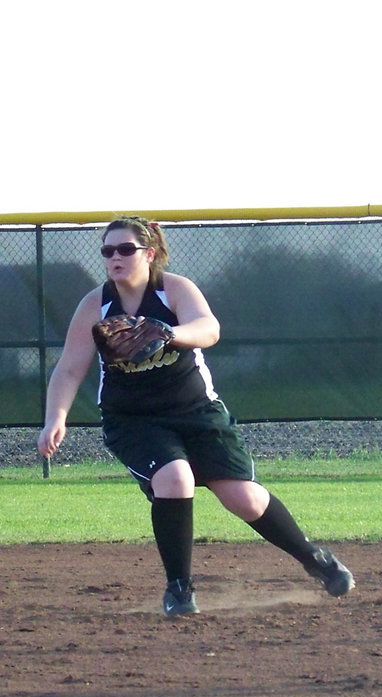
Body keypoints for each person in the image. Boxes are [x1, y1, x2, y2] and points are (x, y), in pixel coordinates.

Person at [37, 215, 354, 616]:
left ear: (149, 254)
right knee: (175, 477)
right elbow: (68, 368)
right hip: (134, 420)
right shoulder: (96, 304)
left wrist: (166, 332)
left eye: (125, 249)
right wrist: (56, 418)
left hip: (197, 412)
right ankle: (180, 590)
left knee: (244, 498)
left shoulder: (174, 290)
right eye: (107, 250)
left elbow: (209, 329)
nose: (115, 257)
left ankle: (314, 559)